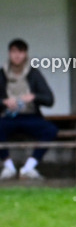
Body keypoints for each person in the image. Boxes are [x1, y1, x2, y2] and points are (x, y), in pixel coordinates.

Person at [0, 39, 57, 180]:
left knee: (51, 130)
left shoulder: (33, 73)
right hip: (8, 117)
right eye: (14, 51)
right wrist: (4, 102)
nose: (17, 55)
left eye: (20, 52)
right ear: (9, 53)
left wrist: (34, 97)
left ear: (25, 54)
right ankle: (8, 166)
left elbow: (49, 99)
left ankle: (29, 167)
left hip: (30, 116)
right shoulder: (2, 74)